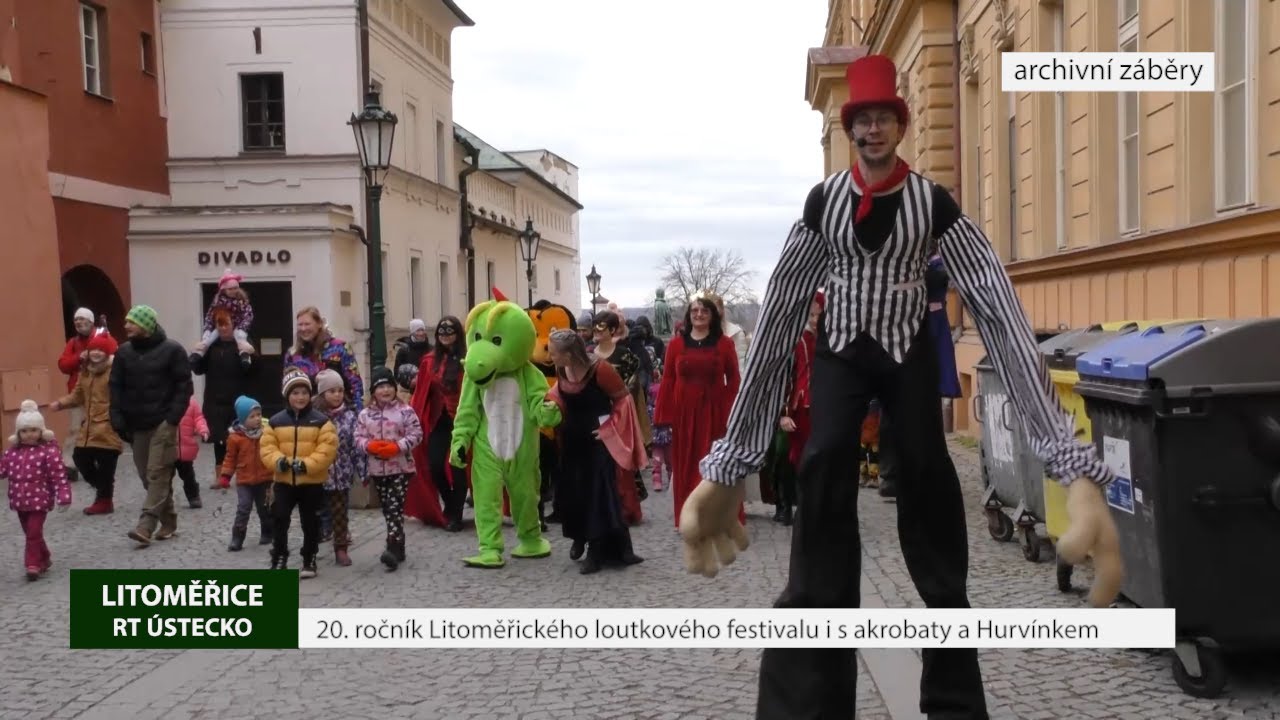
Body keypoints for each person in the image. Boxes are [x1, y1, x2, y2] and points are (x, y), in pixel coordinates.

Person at [686, 54, 1117, 720]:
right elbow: (777, 319)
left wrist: (1068, 461)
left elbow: (999, 313)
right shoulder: (824, 203)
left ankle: (954, 700)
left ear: (900, 127)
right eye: (863, 119)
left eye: (885, 117)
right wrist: (734, 458)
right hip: (842, 351)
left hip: (906, 348)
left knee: (928, 478)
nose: (874, 130)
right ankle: (808, 704)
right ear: (851, 127)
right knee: (825, 463)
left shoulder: (932, 203)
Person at [545, 329, 645, 574]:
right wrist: (550, 404)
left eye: (553, 352)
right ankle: (579, 536)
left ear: (569, 354)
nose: (550, 356)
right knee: (573, 491)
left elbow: (623, 400)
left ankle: (596, 549)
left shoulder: (600, 369)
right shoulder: (561, 369)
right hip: (571, 440)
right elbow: (559, 392)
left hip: (598, 441)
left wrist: (610, 429)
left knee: (597, 494)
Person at [652, 293, 743, 529]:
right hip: (684, 414)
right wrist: (664, 415)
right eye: (694, 311)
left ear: (712, 316)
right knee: (687, 465)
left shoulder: (725, 344)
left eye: (704, 311)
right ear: (688, 316)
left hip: (714, 413)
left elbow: (733, 380)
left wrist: (731, 412)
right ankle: (689, 516)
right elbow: (669, 380)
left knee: (715, 464)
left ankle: (718, 515)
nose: (699, 315)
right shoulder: (676, 345)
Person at [878, 254, 963, 500]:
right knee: (891, 403)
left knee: (928, 403)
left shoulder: (939, 262)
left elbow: (944, 277)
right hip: (902, 328)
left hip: (932, 327)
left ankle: (926, 471)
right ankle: (890, 474)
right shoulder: (901, 257)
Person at [110, 305, 194, 547]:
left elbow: (183, 386)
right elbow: (115, 387)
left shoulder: (172, 350)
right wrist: (116, 416)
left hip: (163, 423)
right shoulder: (124, 353)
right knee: (147, 475)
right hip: (136, 423)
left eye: (131, 322)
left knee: (158, 472)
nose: (126, 326)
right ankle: (169, 520)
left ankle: (145, 526)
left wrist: (173, 418)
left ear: (146, 325)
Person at [260, 369, 338, 577]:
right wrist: (279, 462)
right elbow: (267, 448)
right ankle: (279, 556)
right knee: (280, 518)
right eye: (295, 393)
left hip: (311, 482)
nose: (300, 397)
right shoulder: (276, 421)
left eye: (304, 392)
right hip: (284, 481)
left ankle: (309, 558)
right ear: (287, 395)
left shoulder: (321, 421)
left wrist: (307, 465)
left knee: (310, 521)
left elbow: (327, 449)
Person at [356, 366, 424, 571]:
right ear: (373, 391)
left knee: (394, 506)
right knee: (388, 508)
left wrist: (398, 446)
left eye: (388, 386)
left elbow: (416, 434)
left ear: (394, 388)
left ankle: (392, 548)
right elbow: (357, 437)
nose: (385, 391)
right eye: (380, 387)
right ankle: (400, 544)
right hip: (377, 468)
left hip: (401, 468)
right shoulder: (365, 415)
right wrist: (369, 446)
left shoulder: (405, 411)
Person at [50, 333, 122, 515]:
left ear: (108, 353)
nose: (96, 353)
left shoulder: (116, 371)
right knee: (80, 458)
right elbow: (78, 395)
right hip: (90, 425)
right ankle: (104, 492)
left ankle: (104, 500)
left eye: (101, 350)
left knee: (106, 466)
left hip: (109, 426)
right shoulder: (86, 372)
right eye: (93, 349)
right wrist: (61, 403)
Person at [409, 316, 468, 530]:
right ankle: (450, 504)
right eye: (441, 332)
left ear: (458, 334)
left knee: (458, 467)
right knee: (435, 465)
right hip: (438, 421)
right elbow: (421, 392)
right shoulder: (429, 360)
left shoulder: (467, 359)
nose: (445, 335)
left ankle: (457, 514)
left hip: (462, 421)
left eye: (450, 332)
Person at [1, 400, 72, 580]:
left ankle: (32, 564)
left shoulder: (48, 452)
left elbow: (58, 475)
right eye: (24, 431)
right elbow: (3, 470)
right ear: (18, 433)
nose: (29, 435)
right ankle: (45, 557)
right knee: (31, 533)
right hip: (19, 501)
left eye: (33, 430)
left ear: (41, 431)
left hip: (40, 500)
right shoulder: (12, 453)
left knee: (33, 532)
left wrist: (63, 495)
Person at [191, 308, 258, 479]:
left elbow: (255, 370)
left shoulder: (243, 344)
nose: (222, 328)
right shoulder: (212, 346)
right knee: (219, 439)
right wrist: (197, 354)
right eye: (218, 325)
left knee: (239, 436)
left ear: (234, 324)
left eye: (225, 324)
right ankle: (221, 475)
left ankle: (243, 471)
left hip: (237, 399)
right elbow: (199, 369)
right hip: (215, 399)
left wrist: (252, 356)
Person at [56, 307, 117, 480]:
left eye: (82, 320)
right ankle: (68, 464)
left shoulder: (103, 337)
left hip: (101, 391)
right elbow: (63, 365)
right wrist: (79, 358)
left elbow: (115, 355)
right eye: (76, 320)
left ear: (91, 322)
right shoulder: (73, 343)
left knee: (99, 427)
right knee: (75, 429)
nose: (79, 323)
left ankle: (98, 459)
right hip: (79, 392)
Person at [219, 396, 273, 551]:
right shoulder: (235, 438)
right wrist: (225, 475)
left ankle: (267, 532)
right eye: (252, 416)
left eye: (258, 414)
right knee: (244, 507)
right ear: (242, 419)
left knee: (265, 508)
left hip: (265, 477)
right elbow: (230, 458)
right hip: (244, 479)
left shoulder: (266, 433)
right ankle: (238, 536)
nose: (257, 419)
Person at [284, 307, 364, 409]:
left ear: (319, 324)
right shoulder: (292, 355)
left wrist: (358, 412)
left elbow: (355, 384)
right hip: (306, 415)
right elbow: (287, 388)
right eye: (300, 325)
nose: (303, 329)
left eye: (307, 324)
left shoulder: (340, 348)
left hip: (339, 414)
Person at [192, 270, 255, 363]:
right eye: (230, 289)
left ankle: (245, 356)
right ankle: (198, 354)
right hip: (222, 321)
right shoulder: (218, 301)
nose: (233, 291)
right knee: (209, 339)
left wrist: (242, 327)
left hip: (239, 326)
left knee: (241, 339)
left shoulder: (242, 301)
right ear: (224, 290)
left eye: (235, 288)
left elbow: (248, 315)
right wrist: (208, 329)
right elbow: (210, 316)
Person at [172, 397, 209, 508]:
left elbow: (199, 418)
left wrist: (203, 430)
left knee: (188, 476)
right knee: (164, 477)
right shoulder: (163, 400)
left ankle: (193, 497)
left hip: (185, 449)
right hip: (167, 448)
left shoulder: (191, 403)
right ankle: (164, 500)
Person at [393, 319, 432, 395]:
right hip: (408, 391)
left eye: (422, 330)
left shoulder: (431, 349)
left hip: (428, 389)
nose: (421, 333)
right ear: (412, 333)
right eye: (417, 331)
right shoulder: (403, 351)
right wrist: (409, 382)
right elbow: (397, 373)